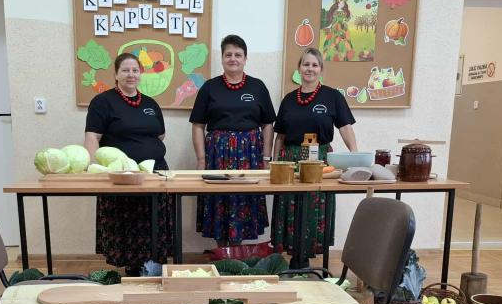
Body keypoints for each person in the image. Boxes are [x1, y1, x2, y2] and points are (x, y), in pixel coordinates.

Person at [85, 52, 173, 276]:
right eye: (125, 70)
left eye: (135, 70)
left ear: (140, 74)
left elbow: (160, 135)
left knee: (154, 225)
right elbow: (93, 136)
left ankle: (154, 270)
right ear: (116, 74)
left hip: (155, 175)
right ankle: (133, 274)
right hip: (122, 179)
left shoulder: (150, 103)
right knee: (130, 226)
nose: (131, 74)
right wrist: (95, 171)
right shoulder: (102, 102)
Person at [271, 48, 358, 261]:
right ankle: (293, 258)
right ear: (299, 68)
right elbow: (280, 136)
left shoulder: (332, 96)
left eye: (314, 65)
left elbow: (345, 127)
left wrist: (355, 157)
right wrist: (274, 163)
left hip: (320, 161)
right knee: (290, 206)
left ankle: (308, 257)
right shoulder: (289, 99)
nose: (310, 69)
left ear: (321, 69)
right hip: (290, 160)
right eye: (306, 64)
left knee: (315, 206)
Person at [190, 34, 276, 245]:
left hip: (250, 155)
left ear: (245, 58)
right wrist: (201, 159)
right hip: (217, 155)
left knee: (245, 200)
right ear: (222, 58)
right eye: (228, 54)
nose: (233, 59)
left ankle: (237, 253)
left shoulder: (257, 87)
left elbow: (267, 124)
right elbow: (198, 125)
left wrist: (266, 158)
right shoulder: (210, 87)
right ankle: (222, 252)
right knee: (219, 200)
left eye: (238, 54)